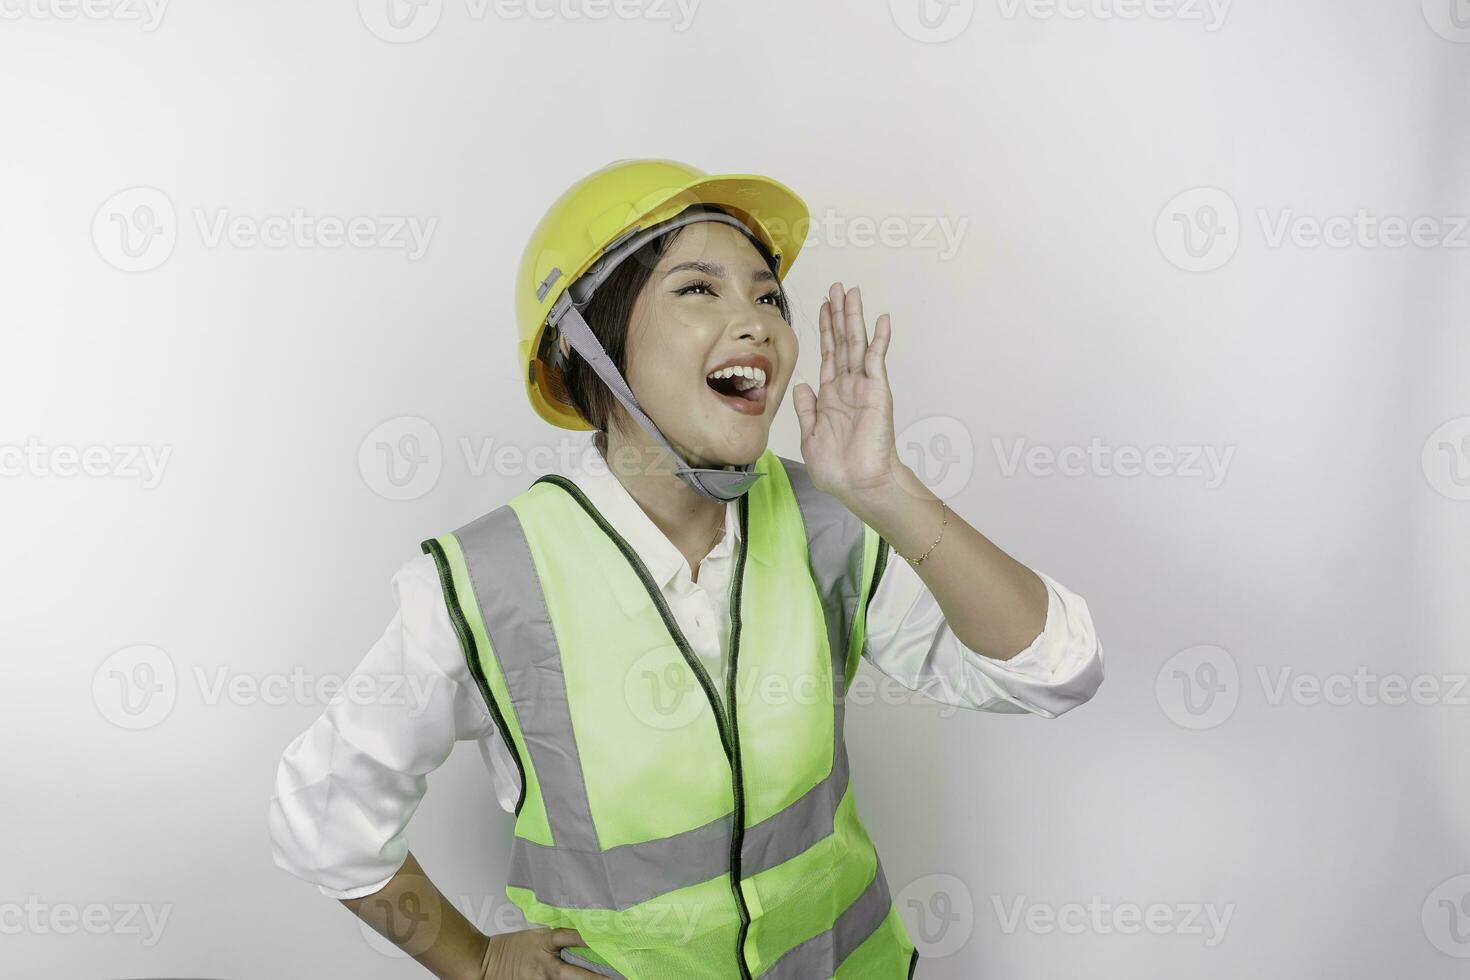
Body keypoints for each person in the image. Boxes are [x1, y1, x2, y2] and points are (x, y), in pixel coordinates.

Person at [268, 159, 1105, 979]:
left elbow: (1056, 672)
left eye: (768, 295)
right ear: (588, 345)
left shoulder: (832, 526)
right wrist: (480, 962)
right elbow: (323, 818)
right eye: (699, 288)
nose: (758, 323)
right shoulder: (483, 587)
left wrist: (887, 491)